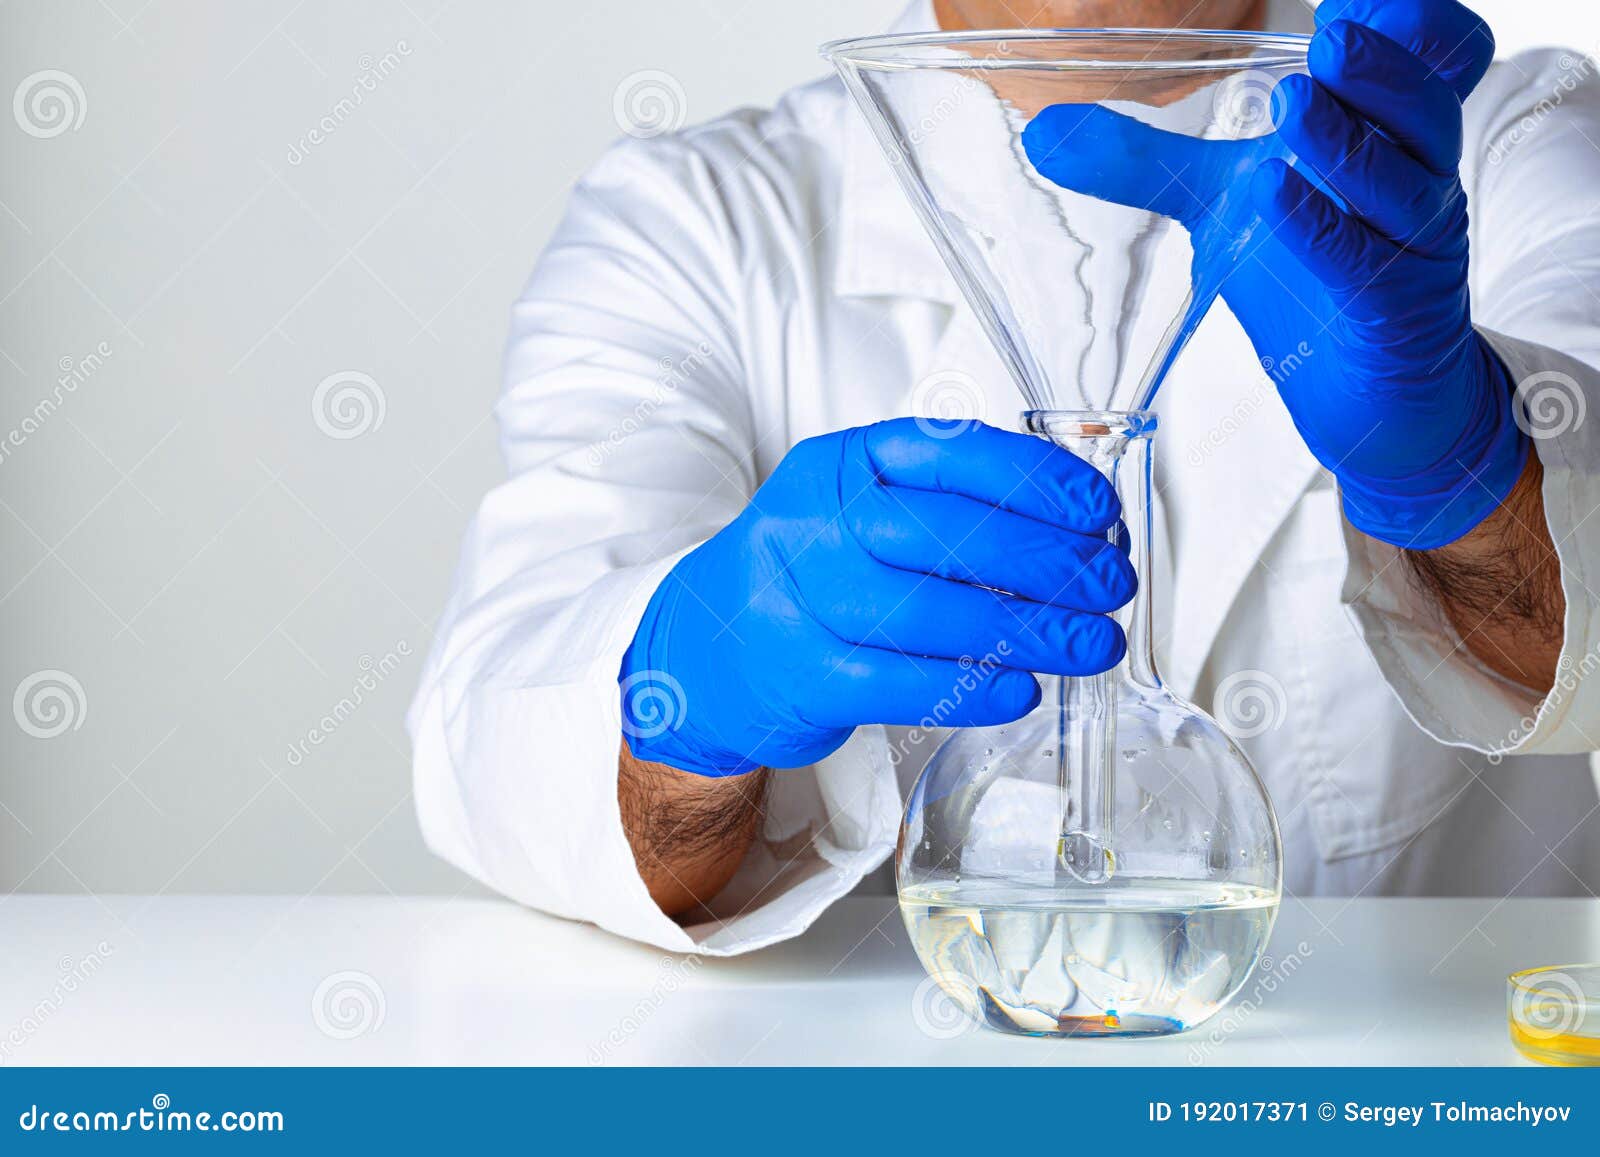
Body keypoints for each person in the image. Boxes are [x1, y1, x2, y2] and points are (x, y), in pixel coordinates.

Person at [407, 0, 1600, 954]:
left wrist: (1466, 467)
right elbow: (500, 758)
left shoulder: (1491, 141)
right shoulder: (699, 220)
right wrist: (689, 682)